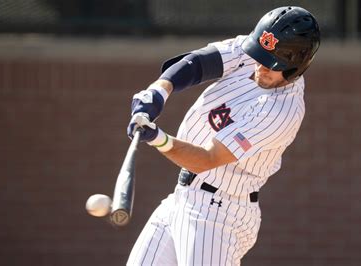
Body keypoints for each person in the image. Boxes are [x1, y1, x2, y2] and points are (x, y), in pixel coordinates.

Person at [126, 6, 320, 265]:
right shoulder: (253, 51)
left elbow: (206, 159)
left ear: (295, 68)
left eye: (271, 63)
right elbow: (196, 64)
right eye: (259, 56)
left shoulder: (280, 111)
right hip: (183, 197)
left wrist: (157, 137)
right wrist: (157, 92)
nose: (260, 66)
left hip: (219, 214)